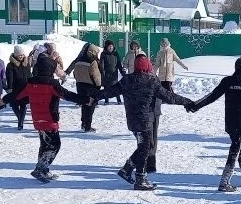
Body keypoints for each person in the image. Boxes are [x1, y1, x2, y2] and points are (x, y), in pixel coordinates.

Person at [95, 55, 195, 190]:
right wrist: (186, 101)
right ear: (147, 66)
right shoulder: (151, 81)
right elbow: (169, 97)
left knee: (144, 147)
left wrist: (92, 96)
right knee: (145, 148)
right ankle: (140, 179)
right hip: (145, 121)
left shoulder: (126, 80)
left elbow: (109, 92)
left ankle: (127, 169)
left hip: (132, 121)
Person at [189, 57, 241, 192]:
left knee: (239, 148)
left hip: (230, 122)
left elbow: (211, 96)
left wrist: (196, 106)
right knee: (236, 148)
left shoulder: (227, 81)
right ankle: (224, 182)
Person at [13, 57, 86, 183]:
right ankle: (40, 169)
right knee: (54, 145)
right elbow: (68, 95)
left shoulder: (30, 84)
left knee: (45, 145)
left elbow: (16, 95)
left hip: (37, 120)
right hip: (49, 120)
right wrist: (86, 100)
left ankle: (44, 169)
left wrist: (2, 101)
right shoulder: (52, 85)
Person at [67, 43, 102, 132]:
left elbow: (75, 73)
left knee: (84, 104)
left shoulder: (79, 60)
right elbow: (95, 75)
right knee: (90, 106)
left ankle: (83, 124)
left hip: (80, 85)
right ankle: (88, 126)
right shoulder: (92, 61)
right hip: (90, 86)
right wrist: (98, 86)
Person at [5, 45, 31, 131]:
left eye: (22, 55)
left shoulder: (26, 64)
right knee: (14, 105)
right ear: (15, 55)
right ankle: (20, 117)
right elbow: (10, 78)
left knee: (23, 105)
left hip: (25, 88)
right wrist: (10, 88)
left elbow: (29, 75)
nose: (21, 56)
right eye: (19, 55)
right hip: (15, 88)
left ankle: (20, 123)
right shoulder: (10, 65)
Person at [99, 40, 124, 104]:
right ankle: (106, 100)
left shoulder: (116, 54)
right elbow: (101, 64)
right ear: (106, 47)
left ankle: (118, 100)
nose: (111, 48)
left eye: (112, 46)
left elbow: (119, 64)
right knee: (106, 88)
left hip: (114, 74)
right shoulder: (103, 54)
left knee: (115, 88)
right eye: (109, 46)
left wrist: (122, 72)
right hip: (106, 74)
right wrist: (102, 72)